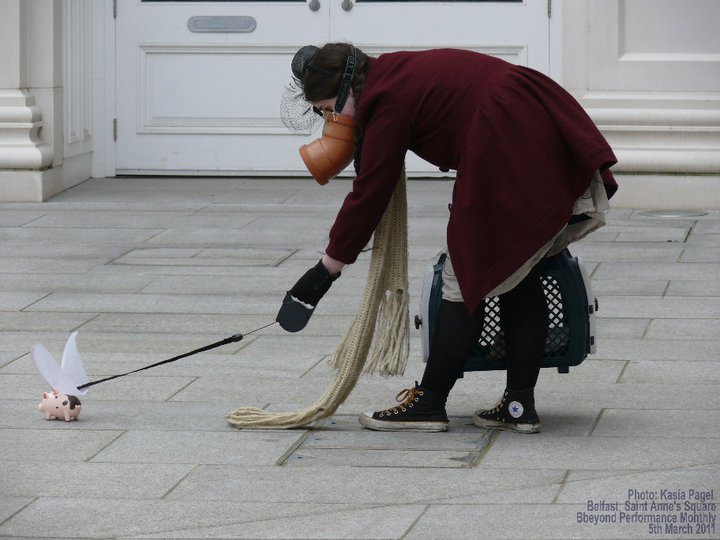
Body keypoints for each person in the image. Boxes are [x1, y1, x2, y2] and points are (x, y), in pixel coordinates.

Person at [279, 43, 617, 434]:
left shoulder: (384, 98)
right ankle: (519, 405)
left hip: (509, 142)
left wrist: (326, 271)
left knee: (465, 274)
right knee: (518, 271)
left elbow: (371, 190)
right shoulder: (389, 73)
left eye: (328, 109)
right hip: (528, 128)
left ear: (345, 91)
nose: (331, 120)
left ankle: (430, 402)